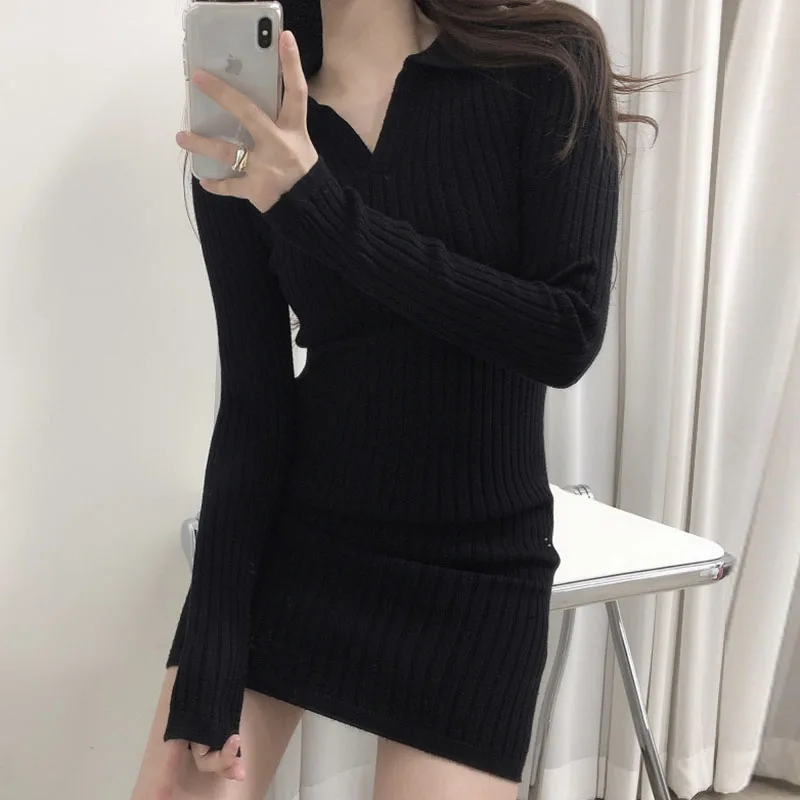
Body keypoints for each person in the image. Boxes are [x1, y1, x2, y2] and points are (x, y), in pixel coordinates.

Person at [130, 1, 657, 798]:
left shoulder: (547, 60)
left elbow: (564, 333)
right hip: (303, 543)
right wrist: (212, 642)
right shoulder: (252, 116)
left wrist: (315, 203)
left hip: (475, 569)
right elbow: (254, 405)